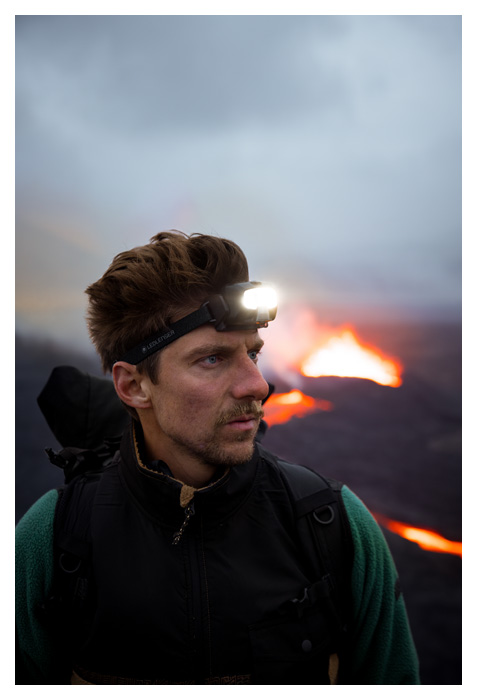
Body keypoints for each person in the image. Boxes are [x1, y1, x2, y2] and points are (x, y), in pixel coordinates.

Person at [15, 230, 420, 685]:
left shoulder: (332, 525)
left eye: (253, 354)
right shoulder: (54, 539)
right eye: (212, 359)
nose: (258, 386)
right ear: (134, 386)